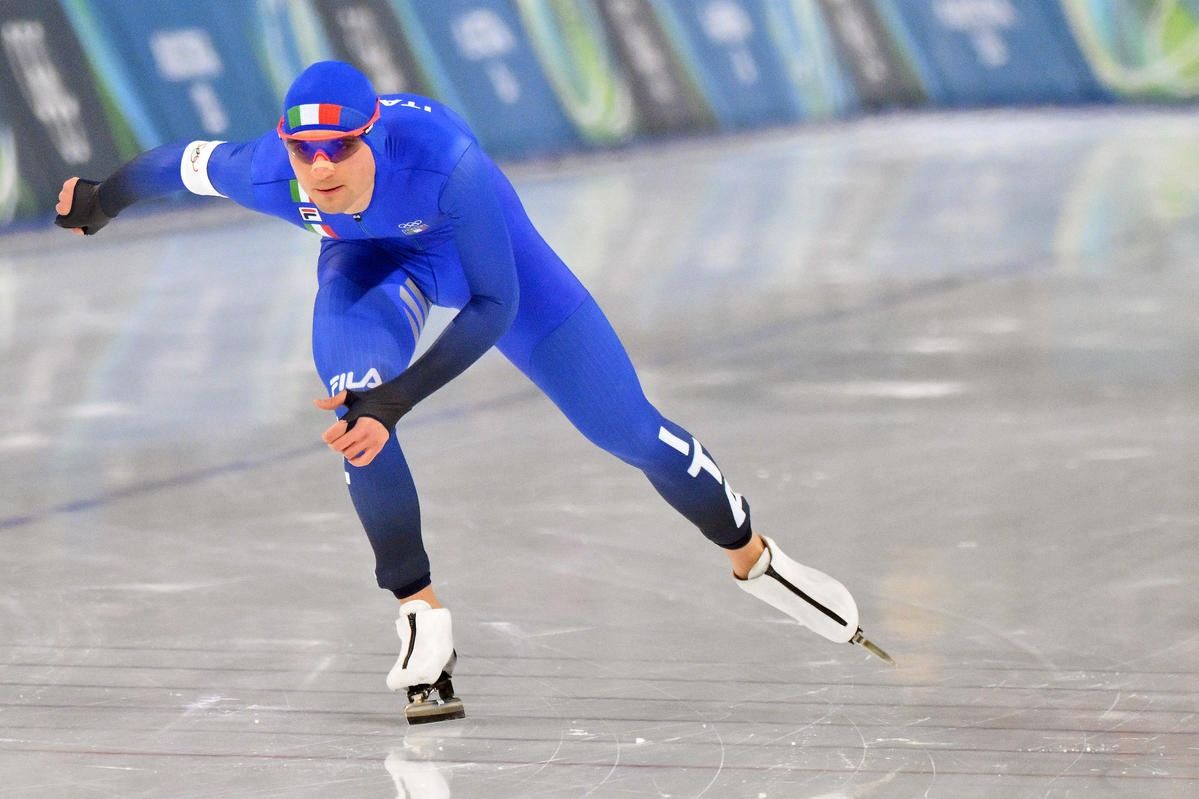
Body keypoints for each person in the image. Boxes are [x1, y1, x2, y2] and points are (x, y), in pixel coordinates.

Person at [55, 61, 891, 723]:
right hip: (371, 270)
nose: (321, 168)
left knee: (628, 430)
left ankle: (753, 555)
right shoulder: (269, 172)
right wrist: (100, 200)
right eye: (305, 151)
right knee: (355, 409)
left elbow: (495, 305)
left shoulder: (445, 162)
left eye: (340, 148)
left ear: (371, 136)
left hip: (486, 263)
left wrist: (403, 396)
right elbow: (171, 167)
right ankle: (419, 611)